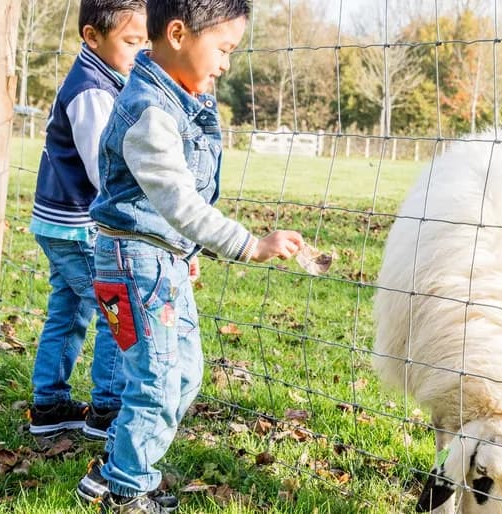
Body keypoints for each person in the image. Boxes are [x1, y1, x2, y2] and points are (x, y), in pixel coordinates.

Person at [82, 0, 303, 511]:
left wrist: (187, 250)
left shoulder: (179, 99)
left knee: (184, 374)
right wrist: (249, 244)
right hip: (136, 264)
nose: (226, 64)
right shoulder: (150, 112)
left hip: (164, 259)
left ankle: (120, 463)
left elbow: (180, 207)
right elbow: (177, 199)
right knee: (157, 380)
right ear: (178, 33)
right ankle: (127, 491)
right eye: (223, 49)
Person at [28, 0, 147, 442]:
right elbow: (105, 169)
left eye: (144, 41)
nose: (139, 51)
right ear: (92, 37)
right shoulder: (93, 91)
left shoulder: (99, 79)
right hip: (78, 224)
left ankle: (50, 403)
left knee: (68, 307)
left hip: (58, 223)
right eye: (131, 41)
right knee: (116, 308)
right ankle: (108, 408)